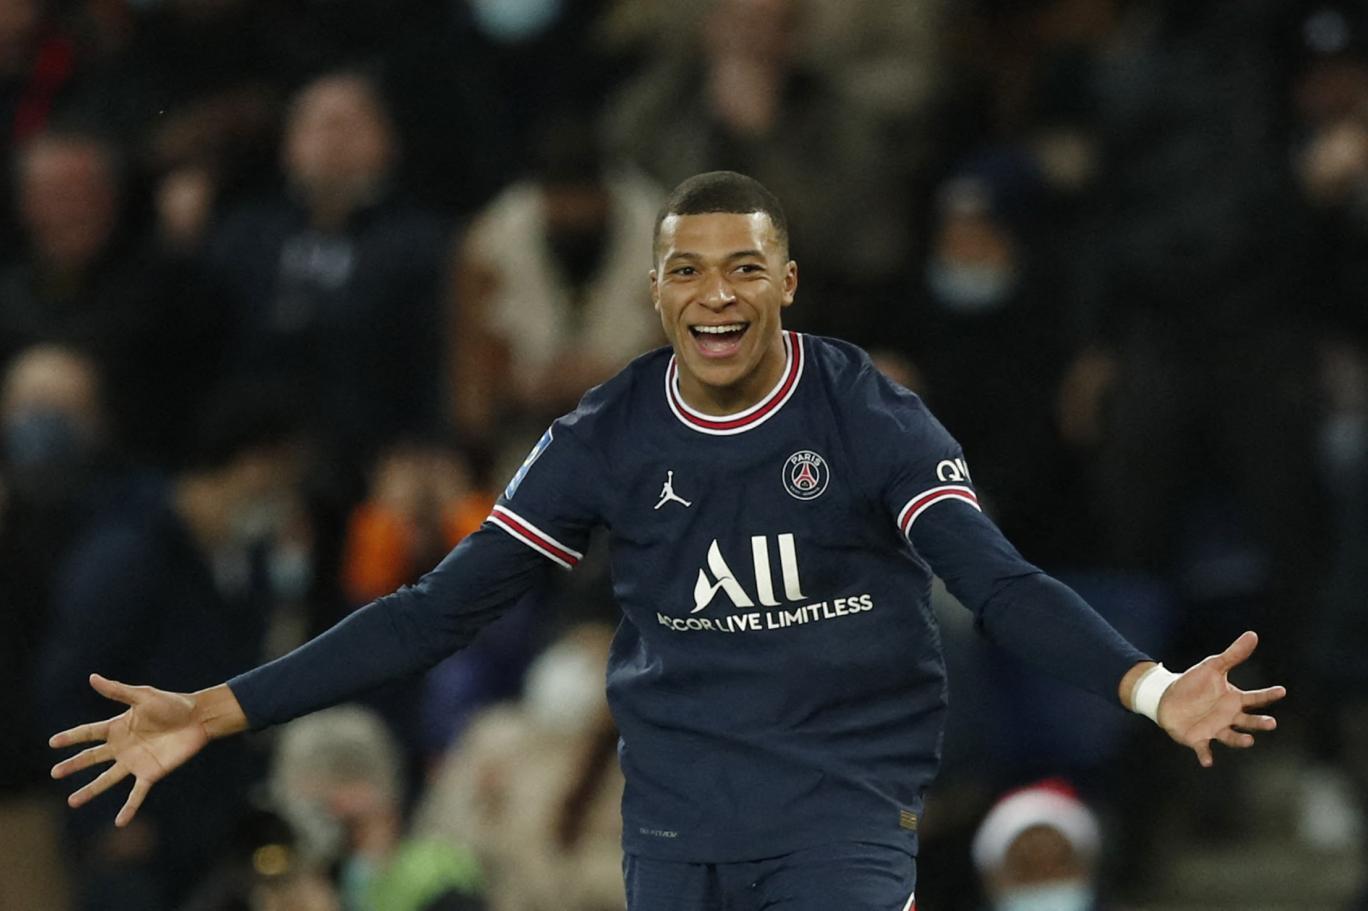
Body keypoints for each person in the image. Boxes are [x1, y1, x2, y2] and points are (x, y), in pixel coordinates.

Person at [50, 172, 1286, 911]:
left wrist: (1151, 684)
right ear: (657, 292)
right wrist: (217, 708)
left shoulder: (867, 415)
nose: (717, 292)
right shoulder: (600, 437)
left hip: (842, 803)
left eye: (744, 266)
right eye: (688, 270)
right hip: (677, 825)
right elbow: (435, 610)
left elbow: (995, 580)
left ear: (786, 283)